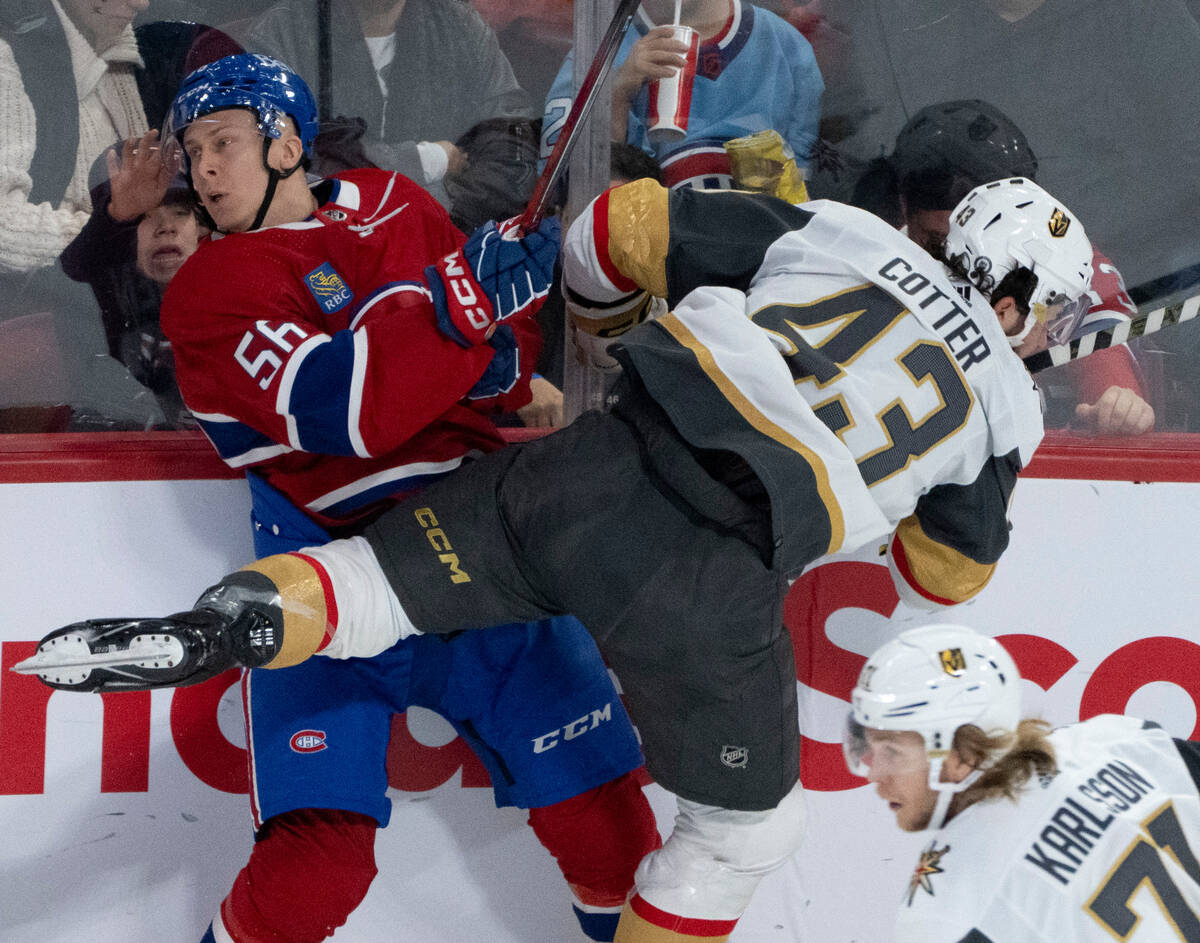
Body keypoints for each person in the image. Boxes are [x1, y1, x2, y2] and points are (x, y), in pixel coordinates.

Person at [20, 173, 1097, 941]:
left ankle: (223, 623)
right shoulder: (1008, 402)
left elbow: (619, 224)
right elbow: (944, 576)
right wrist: (986, 418)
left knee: (368, 585)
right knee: (742, 835)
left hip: (595, 460)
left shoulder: (845, 229)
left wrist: (608, 324)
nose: (1043, 337)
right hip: (716, 576)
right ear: (1008, 304)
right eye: (1042, 320)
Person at [58, 53, 662, 943]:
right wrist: (460, 305)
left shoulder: (393, 201)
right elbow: (352, 410)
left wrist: (502, 316)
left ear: (288, 143)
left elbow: (490, 372)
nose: (207, 168)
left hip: (483, 561)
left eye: (225, 141)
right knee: (316, 869)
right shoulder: (208, 296)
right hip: (327, 591)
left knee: (617, 840)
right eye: (194, 150)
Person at [844, 622, 1200, 941]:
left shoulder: (949, 908)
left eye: (892, 752)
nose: (875, 774)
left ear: (961, 755)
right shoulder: (1112, 740)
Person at [850, 98, 1155, 436]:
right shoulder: (864, 263)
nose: (956, 264)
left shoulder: (1069, 272)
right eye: (937, 244)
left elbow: (1111, 394)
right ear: (905, 209)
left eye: (978, 245)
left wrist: (1112, 413)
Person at [226, 0, 536, 217]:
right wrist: (426, 160)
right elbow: (283, 161)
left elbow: (509, 147)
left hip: (445, 251)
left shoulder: (463, 29)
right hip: (321, 255)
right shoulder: (280, 36)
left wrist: (441, 219)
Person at [540, 0, 823, 191]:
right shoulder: (595, 56)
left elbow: (808, 201)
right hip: (646, 265)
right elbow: (567, 201)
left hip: (765, 256)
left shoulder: (788, 49)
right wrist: (617, 94)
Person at [60, 137, 205, 427]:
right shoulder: (106, 290)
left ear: (201, 226)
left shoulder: (230, 279)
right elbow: (74, 268)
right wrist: (116, 216)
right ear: (120, 238)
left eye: (180, 212)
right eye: (144, 217)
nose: (166, 227)